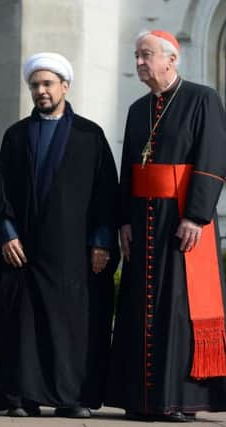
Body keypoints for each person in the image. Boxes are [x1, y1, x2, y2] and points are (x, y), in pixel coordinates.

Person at [0, 52, 119, 419]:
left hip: (74, 255)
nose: (41, 91)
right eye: (35, 85)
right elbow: (1, 195)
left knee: (72, 328)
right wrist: (7, 234)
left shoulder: (90, 136)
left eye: (47, 84)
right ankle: (22, 398)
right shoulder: (16, 136)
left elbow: (106, 195)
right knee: (23, 328)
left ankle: (71, 398)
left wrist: (103, 241)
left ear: (65, 86)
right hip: (24, 254)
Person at [106, 30, 226, 422]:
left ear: (171, 59)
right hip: (142, 223)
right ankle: (140, 400)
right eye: (136, 56)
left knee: (178, 307)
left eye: (146, 55)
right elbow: (129, 168)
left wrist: (197, 214)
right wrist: (123, 219)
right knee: (140, 307)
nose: (139, 62)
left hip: (181, 222)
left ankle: (178, 400)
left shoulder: (202, 98)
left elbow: (212, 155)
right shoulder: (138, 109)